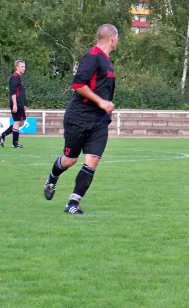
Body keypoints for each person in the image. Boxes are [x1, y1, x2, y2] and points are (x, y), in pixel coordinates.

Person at [43, 24, 119, 215]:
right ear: (112, 38)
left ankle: (72, 203)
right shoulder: (92, 56)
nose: (118, 41)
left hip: (99, 121)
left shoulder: (108, 61)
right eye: (117, 38)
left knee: (92, 160)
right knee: (69, 160)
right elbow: (78, 85)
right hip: (79, 117)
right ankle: (52, 179)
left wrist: (104, 107)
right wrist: (101, 101)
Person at [1, 60, 27, 149]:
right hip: (16, 103)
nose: (24, 68)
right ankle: (14, 144)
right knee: (17, 122)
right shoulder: (15, 77)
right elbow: (13, 92)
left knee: (21, 122)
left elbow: (21, 92)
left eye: (24, 66)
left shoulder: (19, 77)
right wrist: (15, 104)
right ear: (17, 67)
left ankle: (3, 134)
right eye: (22, 66)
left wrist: (24, 104)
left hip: (20, 104)